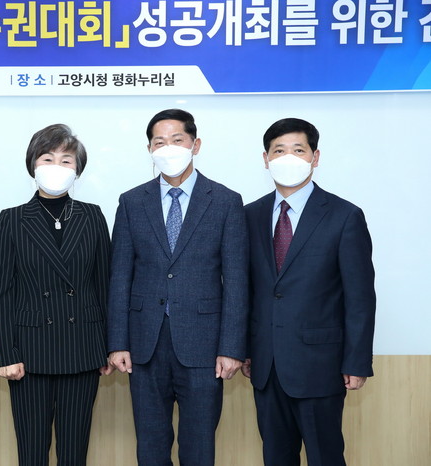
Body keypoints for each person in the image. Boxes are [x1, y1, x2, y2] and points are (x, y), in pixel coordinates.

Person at [107, 109, 249, 465]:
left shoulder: (226, 201)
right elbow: (120, 276)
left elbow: (236, 281)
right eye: (159, 142)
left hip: (204, 345)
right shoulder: (131, 201)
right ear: (149, 149)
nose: (168, 148)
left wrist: (231, 347)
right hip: (145, 344)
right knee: (150, 447)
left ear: (195, 145)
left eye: (177, 140)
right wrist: (118, 342)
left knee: (198, 447)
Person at [241, 118, 376, 466]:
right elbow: (245, 290)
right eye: (279, 151)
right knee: (275, 457)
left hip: (321, 366)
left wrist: (356, 361)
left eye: (298, 150)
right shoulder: (248, 215)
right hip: (267, 365)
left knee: (325, 456)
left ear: (315, 157)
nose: (288, 158)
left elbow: (360, 297)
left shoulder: (344, 216)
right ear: (265, 159)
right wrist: (245, 349)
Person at [0, 124, 112, 465]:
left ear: (78, 169)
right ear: (33, 164)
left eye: (66, 160)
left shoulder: (92, 216)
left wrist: (107, 347)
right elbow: (2, 292)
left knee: (74, 451)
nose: (56, 167)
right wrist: (6, 354)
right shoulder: (12, 219)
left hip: (83, 349)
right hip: (29, 353)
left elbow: (105, 285)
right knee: (32, 451)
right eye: (47, 158)